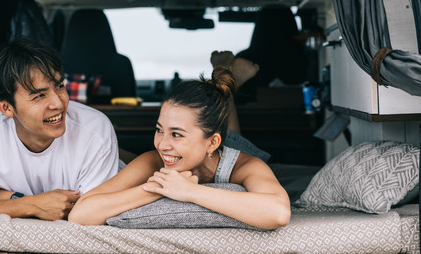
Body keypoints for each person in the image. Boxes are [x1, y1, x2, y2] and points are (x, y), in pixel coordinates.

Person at [68, 66, 290, 229]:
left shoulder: (246, 166)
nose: (162, 144)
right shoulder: (152, 160)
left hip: (233, 147)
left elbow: (278, 212)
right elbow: (81, 214)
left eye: (176, 134)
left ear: (212, 142)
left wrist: (191, 192)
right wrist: (157, 189)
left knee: (236, 137)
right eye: (159, 129)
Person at [0, 37, 120, 220]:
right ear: (6, 108)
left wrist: (0, 196)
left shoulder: (95, 130)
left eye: (59, 86)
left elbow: (88, 213)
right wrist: (32, 204)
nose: (58, 103)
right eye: (39, 96)